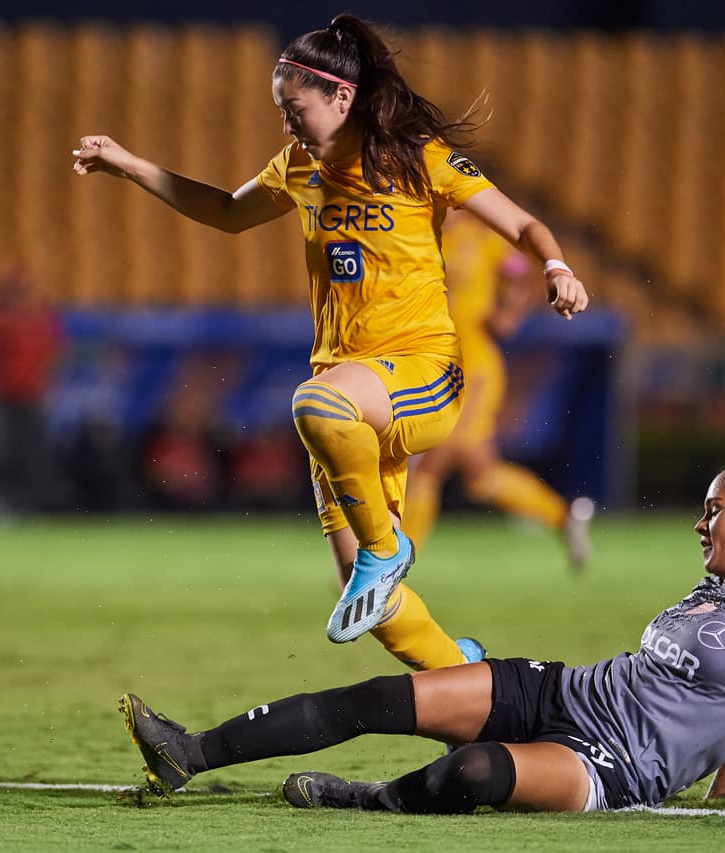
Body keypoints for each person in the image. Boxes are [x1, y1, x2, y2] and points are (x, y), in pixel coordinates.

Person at [73, 14, 588, 671]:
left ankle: (385, 545)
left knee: (316, 406)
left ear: (342, 98)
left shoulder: (416, 157)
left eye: (295, 110)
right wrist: (129, 166)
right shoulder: (298, 166)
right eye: (281, 112)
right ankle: (476, 685)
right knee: (372, 607)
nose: (286, 125)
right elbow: (229, 212)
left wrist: (556, 268)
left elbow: (522, 224)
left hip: (420, 372)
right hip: (352, 395)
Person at [119, 460, 725, 812]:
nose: (700, 521)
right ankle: (189, 751)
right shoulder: (715, 591)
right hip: (564, 689)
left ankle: (369, 799)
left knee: (472, 772)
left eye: (714, 509)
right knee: (378, 697)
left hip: (613, 763)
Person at [401, 208, 594, 571]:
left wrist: (509, 315)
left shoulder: (483, 241)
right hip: (439, 363)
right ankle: (564, 517)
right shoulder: (420, 233)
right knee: (481, 476)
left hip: (474, 369)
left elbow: (519, 276)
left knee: (429, 467)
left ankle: (395, 565)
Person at [0, 268, 65, 516]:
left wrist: (48, 384)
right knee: (1, 450)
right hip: (4, 396)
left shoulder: (42, 319)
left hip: (32, 395)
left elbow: (54, 354)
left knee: (32, 452)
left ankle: (30, 503)